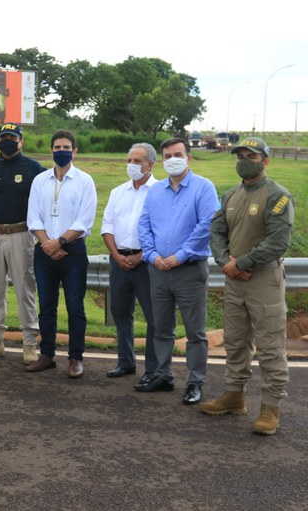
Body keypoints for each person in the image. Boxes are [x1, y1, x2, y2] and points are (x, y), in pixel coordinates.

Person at [202, 137, 294, 435]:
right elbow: (216, 230)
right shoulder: (231, 195)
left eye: (251, 156)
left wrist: (239, 264)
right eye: (240, 155)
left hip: (263, 280)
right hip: (234, 281)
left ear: (265, 161)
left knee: (269, 346)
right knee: (236, 341)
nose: (244, 160)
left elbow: (278, 242)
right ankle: (234, 395)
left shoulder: (277, 195)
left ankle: (270, 406)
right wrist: (224, 261)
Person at [134, 137, 219, 405]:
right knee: (161, 328)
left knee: (195, 332)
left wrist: (179, 256)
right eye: (168, 155)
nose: (173, 159)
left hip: (189, 271)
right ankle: (162, 375)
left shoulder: (204, 188)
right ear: (162, 160)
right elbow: (144, 226)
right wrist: (152, 255)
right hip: (158, 270)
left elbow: (206, 226)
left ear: (189, 157)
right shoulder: (155, 191)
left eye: (178, 154)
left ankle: (195, 382)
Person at [26, 130, 97, 377]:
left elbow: (85, 220)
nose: (61, 151)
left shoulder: (85, 181)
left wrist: (61, 242)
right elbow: (33, 217)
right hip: (44, 250)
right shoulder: (40, 180)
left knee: (75, 306)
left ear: (75, 151)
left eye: (66, 147)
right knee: (46, 306)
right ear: (51, 150)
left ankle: (75, 358)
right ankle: (47, 355)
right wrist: (47, 243)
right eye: (57, 147)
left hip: (73, 251)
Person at [0, 123, 43, 365]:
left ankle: (29, 342)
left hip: (21, 233)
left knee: (25, 289)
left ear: (21, 141)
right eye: (4, 137)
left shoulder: (34, 168)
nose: (8, 141)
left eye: (12, 138)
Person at [100, 143, 158, 381]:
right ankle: (126, 362)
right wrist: (116, 255)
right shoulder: (118, 192)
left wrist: (141, 255)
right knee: (121, 313)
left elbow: (160, 230)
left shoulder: (159, 192)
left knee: (153, 316)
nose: (131, 165)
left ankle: (153, 369)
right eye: (129, 160)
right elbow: (107, 227)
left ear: (150, 164)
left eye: (137, 161)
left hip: (146, 261)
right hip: (119, 259)